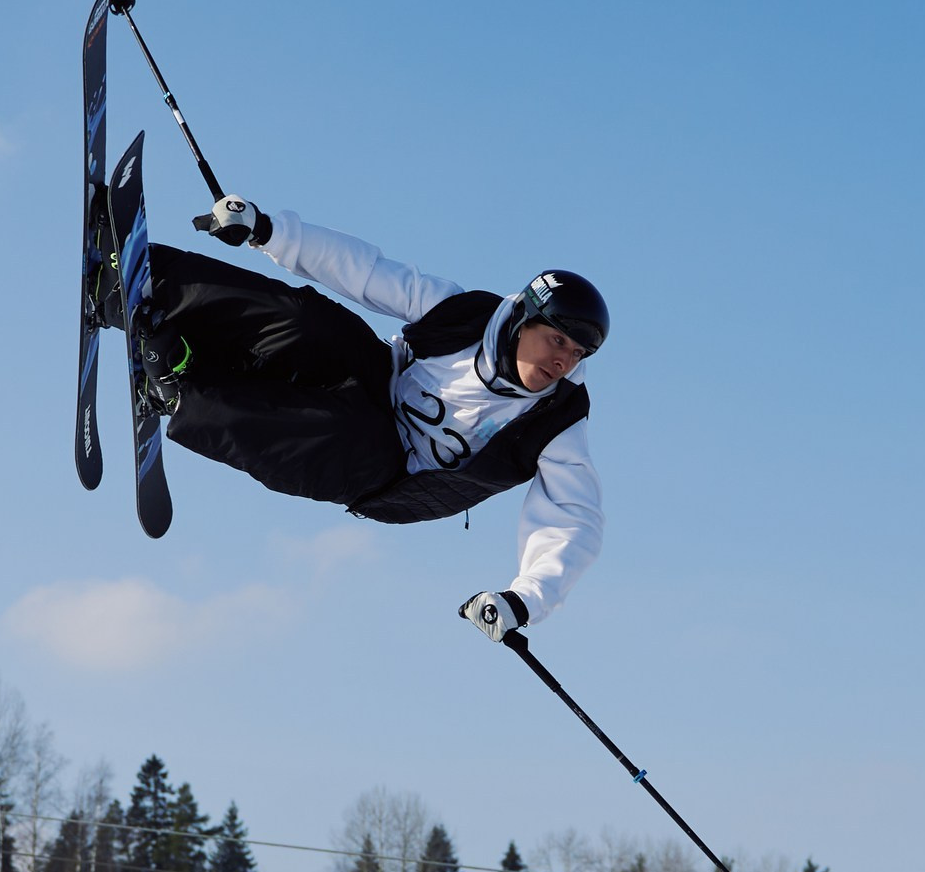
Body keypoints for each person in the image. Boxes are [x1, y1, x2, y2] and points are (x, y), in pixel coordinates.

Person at [116, 197, 607, 635]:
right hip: (374, 381)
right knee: (314, 324)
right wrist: (268, 230)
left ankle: (179, 395)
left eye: (577, 353)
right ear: (523, 319)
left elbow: (572, 521)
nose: (562, 361)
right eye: (557, 340)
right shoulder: (467, 315)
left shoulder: (556, 420)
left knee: (339, 433)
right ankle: (149, 284)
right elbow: (368, 273)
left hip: (391, 475)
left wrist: (523, 601)